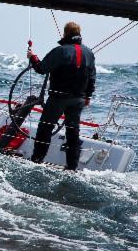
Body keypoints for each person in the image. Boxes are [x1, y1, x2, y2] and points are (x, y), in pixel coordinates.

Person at [27, 21, 96, 171]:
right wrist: (88, 97)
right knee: (73, 132)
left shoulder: (60, 51)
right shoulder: (89, 53)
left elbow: (41, 68)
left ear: (65, 34)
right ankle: (72, 168)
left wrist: (32, 57)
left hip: (59, 98)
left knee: (45, 128)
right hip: (78, 100)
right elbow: (92, 78)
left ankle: (36, 161)